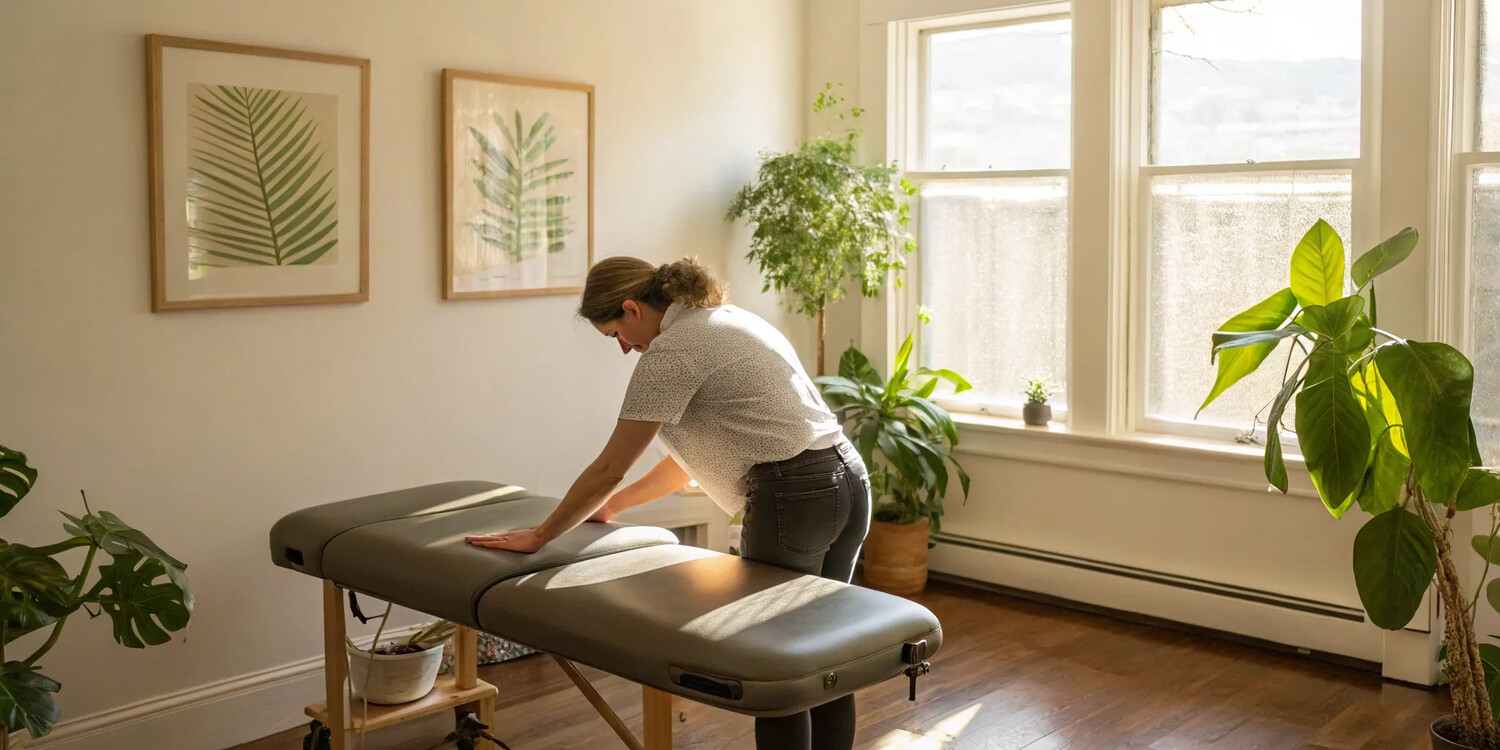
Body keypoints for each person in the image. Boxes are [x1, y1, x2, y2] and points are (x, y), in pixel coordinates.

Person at [465, 255, 872, 750]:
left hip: (797, 495)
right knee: (828, 655)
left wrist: (540, 535)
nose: (622, 348)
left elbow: (608, 466)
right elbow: (690, 460)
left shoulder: (671, 353)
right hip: (847, 480)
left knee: (777, 666)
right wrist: (614, 506)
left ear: (633, 309)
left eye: (614, 333)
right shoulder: (724, 321)